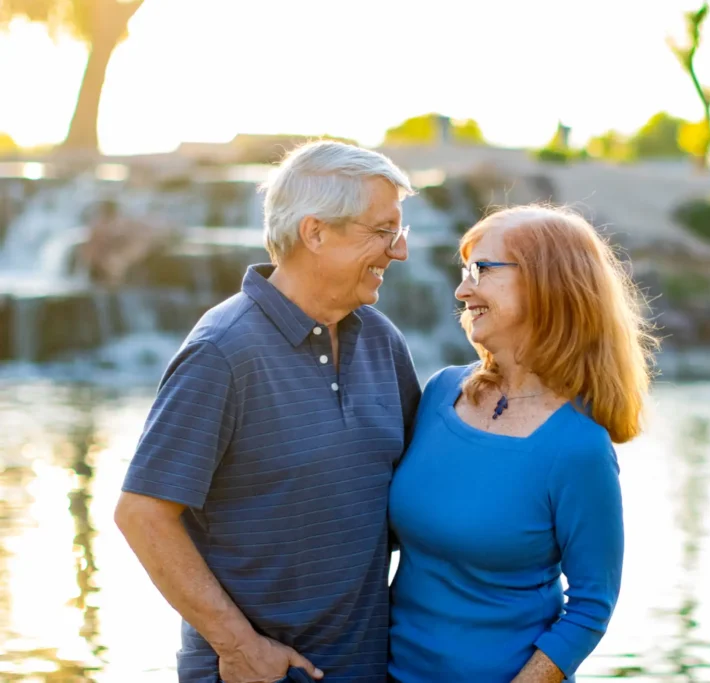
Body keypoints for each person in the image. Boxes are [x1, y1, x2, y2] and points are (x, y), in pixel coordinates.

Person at [114, 140, 421, 683]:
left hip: (369, 668)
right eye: (382, 231)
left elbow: (412, 499)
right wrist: (239, 645)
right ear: (315, 232)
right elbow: (142, 514)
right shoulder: (222, 351)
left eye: (399, 232)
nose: (398, 252)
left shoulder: (382, 340)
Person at [388, 205, 657, 682]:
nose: (462, 290)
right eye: (464, 270)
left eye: (482, 270)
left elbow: (591, 606)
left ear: (546, 284)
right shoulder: (440, 392)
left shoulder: (578, 448)